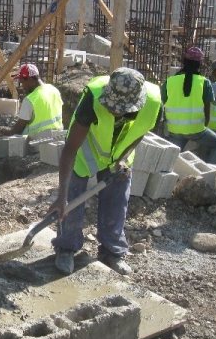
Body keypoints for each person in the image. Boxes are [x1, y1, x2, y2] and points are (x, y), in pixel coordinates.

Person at [47, 67, 161, 276]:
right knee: (73, 199)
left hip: (118, 157)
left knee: (117, 202)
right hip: (84, 151)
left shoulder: (153, 103)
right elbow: (70, 149)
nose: (112, 110)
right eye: (110, 105)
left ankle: (111, 252)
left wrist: (123, 158)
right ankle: (66, 247)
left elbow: (141, 131)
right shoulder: (93, 97)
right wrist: (61, 197)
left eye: (118, 108)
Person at [162, 46, 216, 164]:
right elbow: (207, 110)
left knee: (173, 158)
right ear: (199, 64)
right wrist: (203, 126)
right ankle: (210, 174)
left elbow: (165, 102)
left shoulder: (169, 81)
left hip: (174, 129)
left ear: (184, 62)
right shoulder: (204, 82)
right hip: (196, 130)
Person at [0, 63, 64, 137]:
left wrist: (6, 133)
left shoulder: (30, 100)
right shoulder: (53, 90)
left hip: (37, 142)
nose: (22, 86)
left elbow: (18, 130)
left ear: (30, 79)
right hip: (58, 137)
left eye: (22, 82)